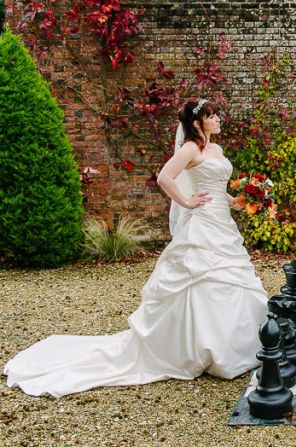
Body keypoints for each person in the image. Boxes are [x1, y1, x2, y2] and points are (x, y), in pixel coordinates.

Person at [3, 98, 268, 397]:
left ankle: (237, 345)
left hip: (221, 224)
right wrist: (185, 201)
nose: (219, 119)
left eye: (218, 114)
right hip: (203, 226)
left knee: (231, 279)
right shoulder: (191, 148)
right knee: (202, 279)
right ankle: (201, 350)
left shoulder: (216, 150)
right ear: (197, 123)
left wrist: (240, 201)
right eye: (212, 116)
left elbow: (217, 189)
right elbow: (165, 178)